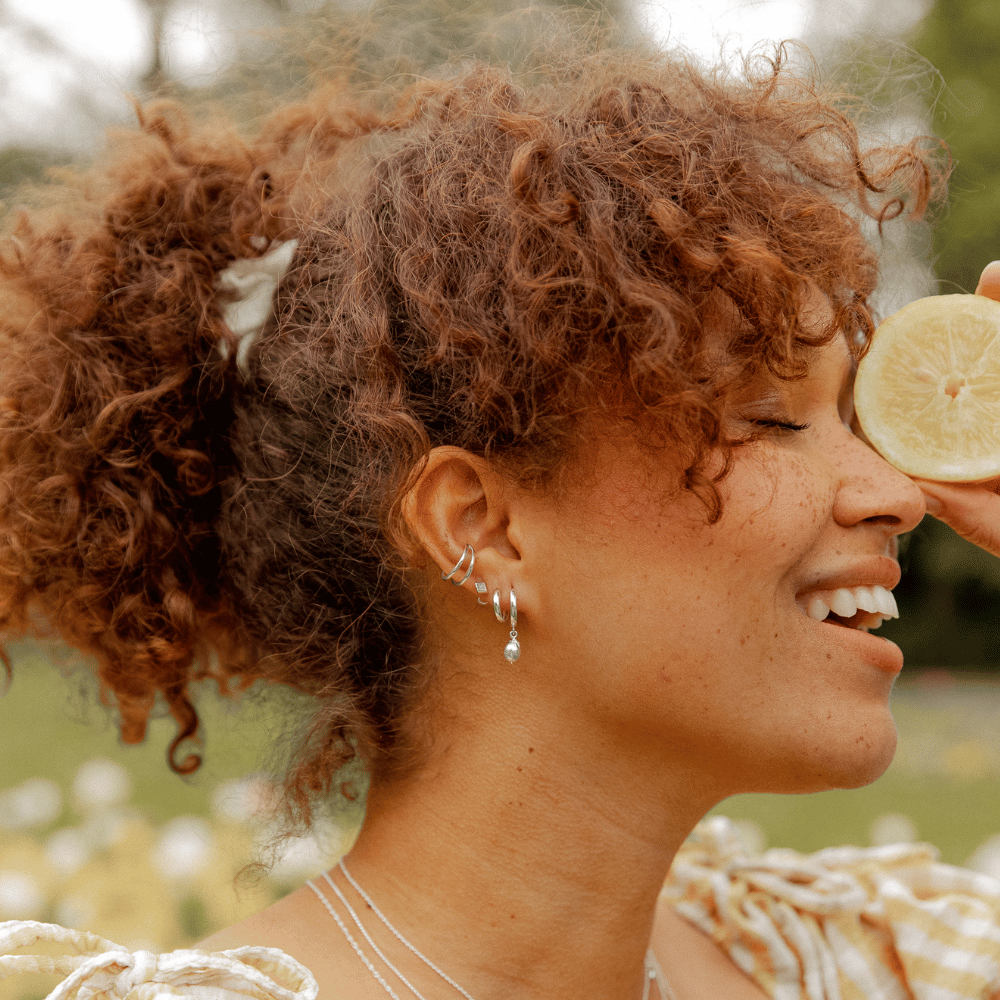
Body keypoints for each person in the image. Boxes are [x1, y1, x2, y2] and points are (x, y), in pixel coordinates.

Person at [2, 12, 1000, 999]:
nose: (894, 492)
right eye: (769, 418)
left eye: (847, 411)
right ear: (480, 527)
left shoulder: (863, 959)